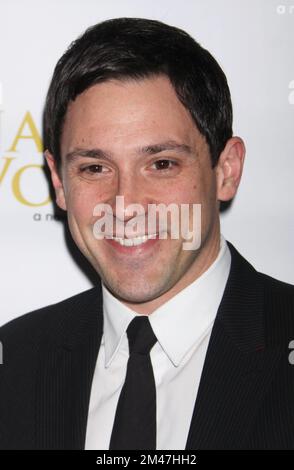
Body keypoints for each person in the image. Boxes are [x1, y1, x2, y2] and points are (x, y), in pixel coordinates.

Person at [0, 17, 293, 451]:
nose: (126, 204)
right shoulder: (14, 362)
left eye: (161, 164)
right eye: (94, 168)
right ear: (59, 184)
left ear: (225, 171)